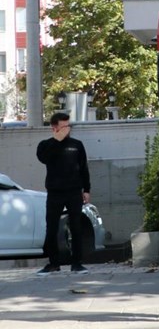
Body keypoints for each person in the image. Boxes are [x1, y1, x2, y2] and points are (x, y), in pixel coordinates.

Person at [35, 112, 92, 276]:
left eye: (69, 125)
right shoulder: (45, 145)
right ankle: (53, 263)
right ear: (54, 127)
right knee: (51, 227)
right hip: (55, 193)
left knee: (76, 227)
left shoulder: (77, 145)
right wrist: (57, 141)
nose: (68, 129)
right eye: (64, 126)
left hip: (74, 192)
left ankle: (77, 263)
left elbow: (83, 168)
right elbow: (45, 158)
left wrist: (86, 190)